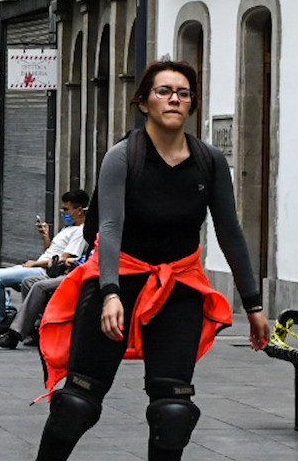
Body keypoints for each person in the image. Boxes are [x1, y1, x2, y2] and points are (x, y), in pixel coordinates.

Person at [33, 60, 268, 461]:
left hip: (179, 287)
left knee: (172, 412)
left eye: (183, 93)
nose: (174, 98)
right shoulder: (124, 157)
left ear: (192, 104)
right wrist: (109, 293)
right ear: (144, 102)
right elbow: (108, 228)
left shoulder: (209, 161)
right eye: (164, 91)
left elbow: (230, 232)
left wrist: (254, 304)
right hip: (118, 278)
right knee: (76, 404)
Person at [0, 190, 91, 343]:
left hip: (45, 271)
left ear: (79, 210)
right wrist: (45, 236)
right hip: (40, 267)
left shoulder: (80, 231)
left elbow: (63, 259)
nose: (63, 213)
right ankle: (14, 318)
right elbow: (52, 252)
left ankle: (5, 319)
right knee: (2, 278)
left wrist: (35, 263)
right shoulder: (68, 228)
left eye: (66, 209)